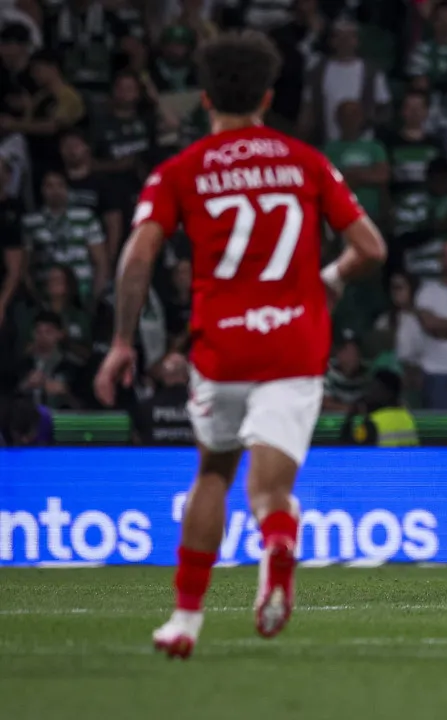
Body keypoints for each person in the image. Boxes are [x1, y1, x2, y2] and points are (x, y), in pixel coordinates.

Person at [92, 30, 387, 659]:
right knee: (271, 493)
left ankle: (185, 621)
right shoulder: (306, 162)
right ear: (269, 95)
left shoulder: (182, 169)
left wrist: (122, 341)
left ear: (203, 98)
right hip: (294, 342)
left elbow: (139, 254)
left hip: (221, 347)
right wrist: (327, 281)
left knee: (213, 473)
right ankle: (276, 542)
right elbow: (371, 249)